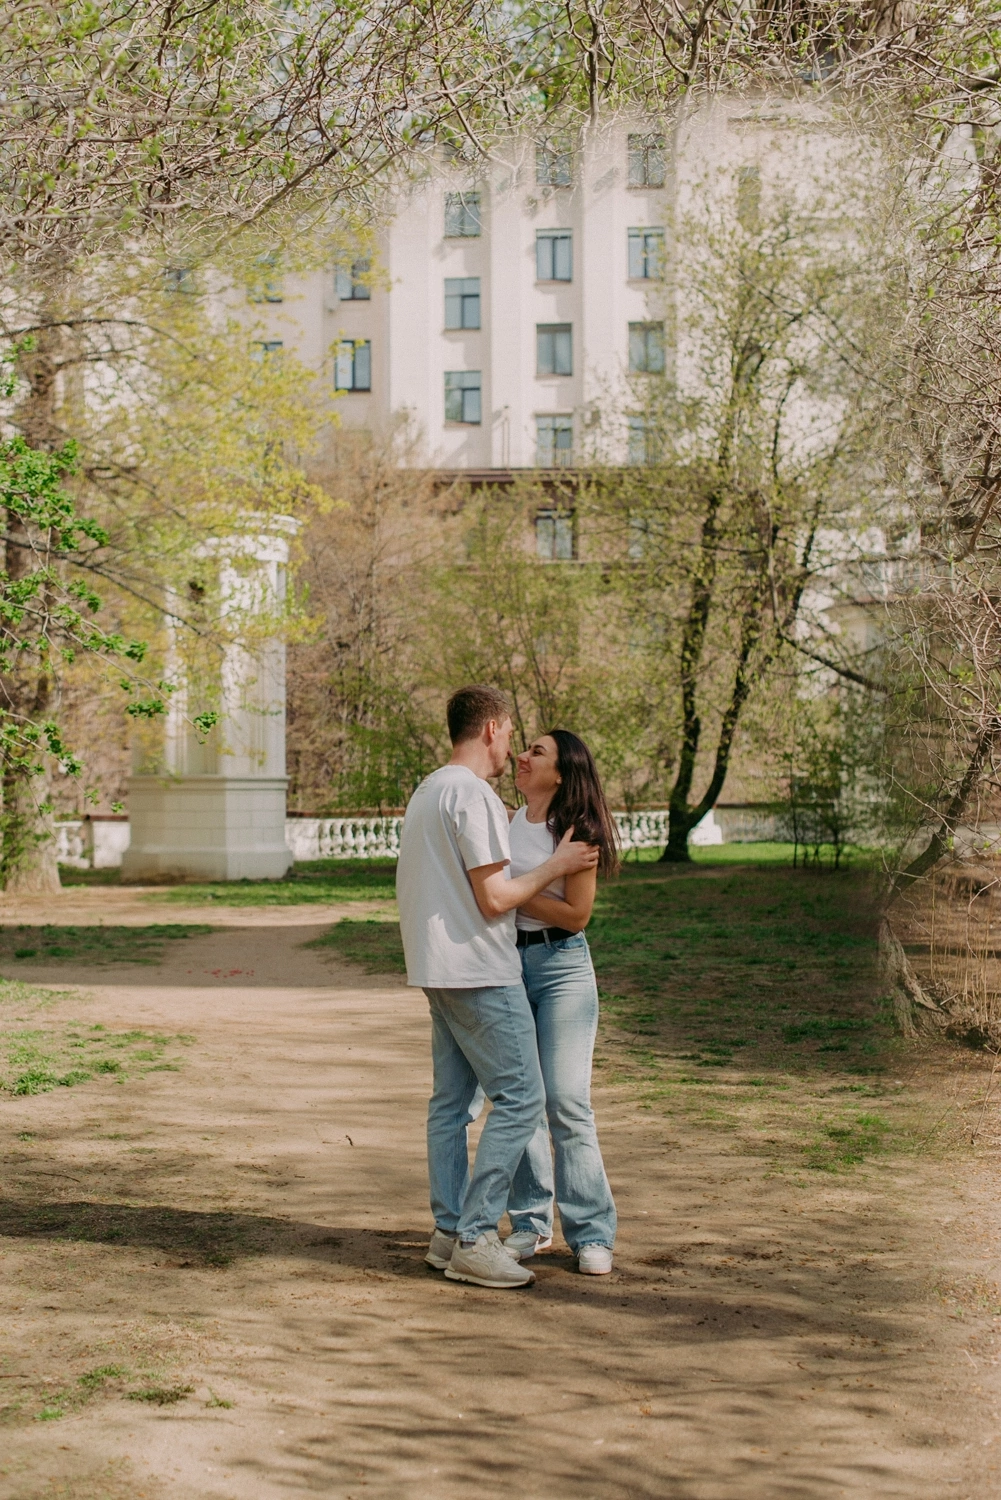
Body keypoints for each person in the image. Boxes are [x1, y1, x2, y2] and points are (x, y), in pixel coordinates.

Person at [396, 685, 599, 1290]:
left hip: (435, 967)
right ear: (491, 729)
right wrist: (556, 867)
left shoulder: (429, 789)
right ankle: (477, 1236)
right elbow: (495, 897)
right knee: (522, 1100)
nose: (514, 750)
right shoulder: (474, 795)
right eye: (512, 735)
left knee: (450, 1106)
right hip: (480, 969)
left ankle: (447, 1232)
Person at [502, 729, 620, 1275]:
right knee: (521, 1100)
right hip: (505, 966)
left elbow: (576, 916)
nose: (522, 756)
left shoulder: (577, 834)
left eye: (537, 752)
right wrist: (530, 886)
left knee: (567, 1101)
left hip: (561, 969)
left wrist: (513, 892)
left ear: (561, 773)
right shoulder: (503, 820)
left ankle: (592, 1232)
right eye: (525, 748)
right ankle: (529, 1223)